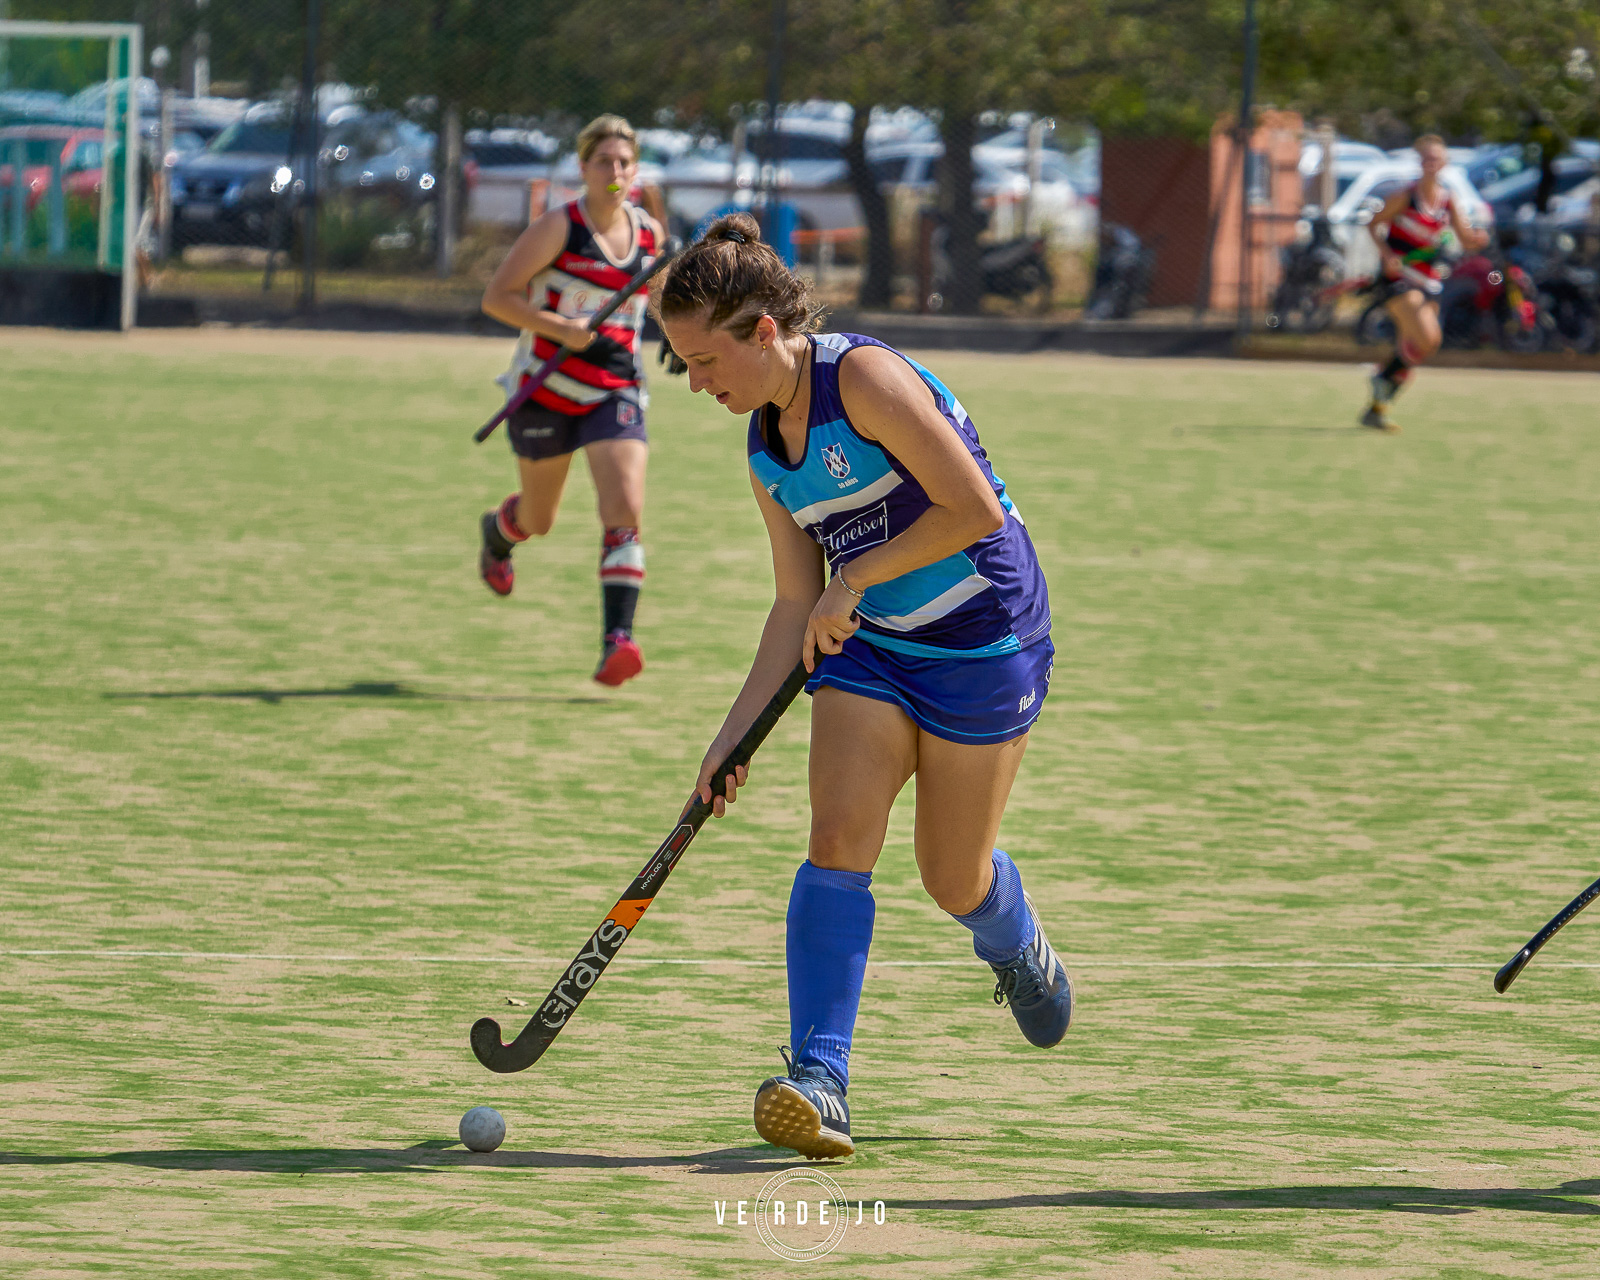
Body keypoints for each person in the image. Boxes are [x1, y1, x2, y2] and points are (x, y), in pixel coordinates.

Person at [656, 213, 1072, 1161]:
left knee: (950, 875)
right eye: (683, 366)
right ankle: (820, 1079)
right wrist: (726, 741)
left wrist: (854, 580)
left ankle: (1009, 935)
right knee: (838, 839)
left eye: (705, 360)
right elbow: (792, 606)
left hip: (983, 639)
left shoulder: (865, 379)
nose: (697, 384)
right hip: (875, 651)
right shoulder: (765, 448)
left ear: (763, 330)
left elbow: (967, 509)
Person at [479, 114, 667, 685]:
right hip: (547, 387)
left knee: (625, 509)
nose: (615, 172)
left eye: (624, 163)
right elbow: (498, 298)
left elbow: (655, 301)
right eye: (603, 162)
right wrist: (561, 328)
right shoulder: (558, 228)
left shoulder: (651, 235)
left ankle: (618, 640)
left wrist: (684, 340)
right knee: (539, 520)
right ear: (583, 168)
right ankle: (498, 532)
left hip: (616, 390)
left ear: (635, 170)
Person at [1360, 134, 1489, 433]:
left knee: (1425, 344)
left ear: (1444, 163)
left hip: (1429, 279)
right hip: (1399, 280)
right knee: (1424, 332)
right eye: (1426, 158)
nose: (1431, 163)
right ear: (1420, 162)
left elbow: (1467, 239)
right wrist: (1387, 254)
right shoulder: (1405, 196)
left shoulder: (1448, 200)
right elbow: (1372, 223)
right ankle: (1381, 383)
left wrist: (1478, 240)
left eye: (1436, 159)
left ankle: (1378, 402)